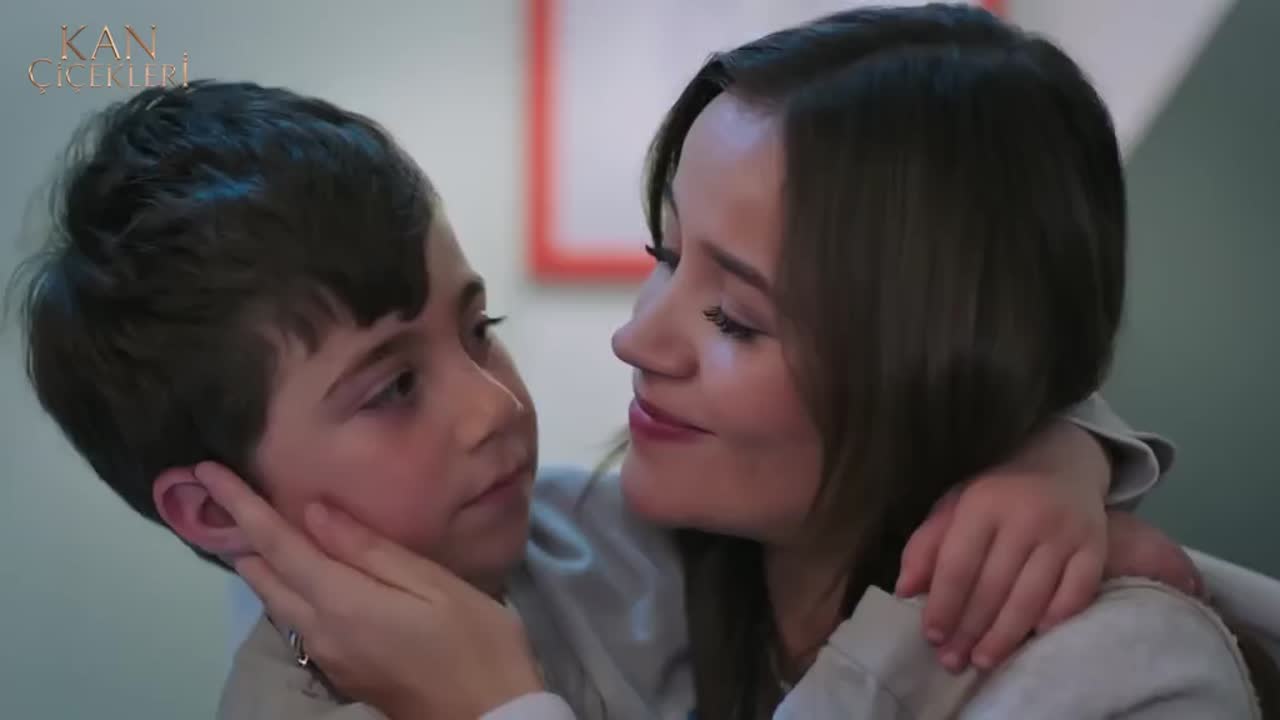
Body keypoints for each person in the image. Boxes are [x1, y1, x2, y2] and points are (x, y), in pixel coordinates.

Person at [189, 4, 1271, 719]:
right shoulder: (572, 567)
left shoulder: (1123, 683)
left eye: (735, 320)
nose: (635, 340)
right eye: (663, 257)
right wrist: (1067, 449)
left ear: (932, 364)